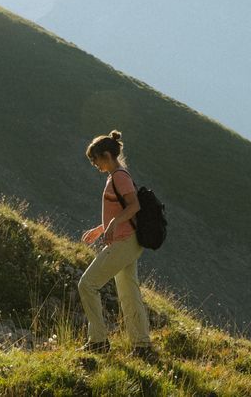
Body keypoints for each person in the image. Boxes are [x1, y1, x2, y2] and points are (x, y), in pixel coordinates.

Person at [75, 130, 152, 355]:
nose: (94, 164)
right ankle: (142, 346)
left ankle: (98, 342)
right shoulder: (116, 175)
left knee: (87, 284)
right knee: (129, 293)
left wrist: (110, 227)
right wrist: (101, 229)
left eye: (95, 159)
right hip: (127, 240)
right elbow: (120, 210)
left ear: (106, 155)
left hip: (124, 241)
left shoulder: (119, 176)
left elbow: (134, 206)